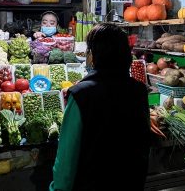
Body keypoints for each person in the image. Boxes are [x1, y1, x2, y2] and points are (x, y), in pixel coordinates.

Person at [49, 23, 151, 191]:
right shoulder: (139, 90)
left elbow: (67, 157)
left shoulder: (80, 94)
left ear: (94, 55)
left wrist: (58, 188)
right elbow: (143, 145)